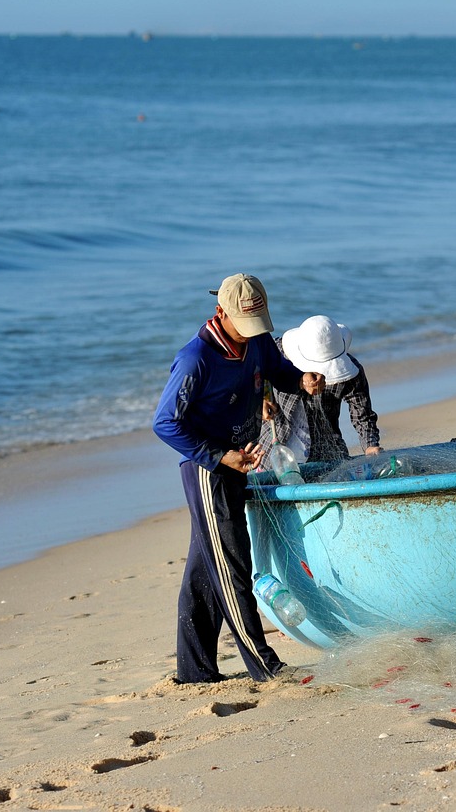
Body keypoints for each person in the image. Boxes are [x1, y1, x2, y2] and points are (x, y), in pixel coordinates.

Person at [152, 273, 325, 683]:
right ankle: (266, 667)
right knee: (233, 570)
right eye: (244, 328)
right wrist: (220, 455)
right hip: (208, 471)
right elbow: (165, 424)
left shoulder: (258, 341)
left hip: (241, 462)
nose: (251, 337)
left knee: (204, 570)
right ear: (221, 313)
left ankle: (194, 672)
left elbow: (278, 371)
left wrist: (300, 380)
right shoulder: (196, 360)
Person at [260, 315, 382, 465]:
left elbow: (363, 415)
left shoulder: (350, 373)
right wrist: (262, 398)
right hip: (275, 445)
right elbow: (248, 369)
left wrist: (370, 445)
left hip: (326, 451)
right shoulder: (276, 353)